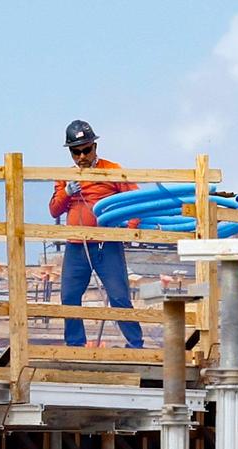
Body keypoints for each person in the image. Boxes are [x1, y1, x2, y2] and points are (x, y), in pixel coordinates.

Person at [48, 120, 143, 348]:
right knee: (69, 296)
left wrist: (130, 231)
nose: (82, 156)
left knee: (119, 296)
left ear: (94, 147)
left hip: (106, 244)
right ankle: (75, 345)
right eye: (76, 152)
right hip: (76, 245)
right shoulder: (65, 177)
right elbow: (54, 210)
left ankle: (136, 345)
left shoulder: (112, 171)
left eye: (86, 150)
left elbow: (136, 201)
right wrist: (67, 193)